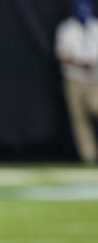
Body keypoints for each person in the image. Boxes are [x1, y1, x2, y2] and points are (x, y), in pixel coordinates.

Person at [55, 0, 98, 163]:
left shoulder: (96, 27)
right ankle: (89, 158)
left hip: (94, 79)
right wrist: (79, 62)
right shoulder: (67, 29)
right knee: (79, 119)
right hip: (74, 79)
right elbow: (61, 54)